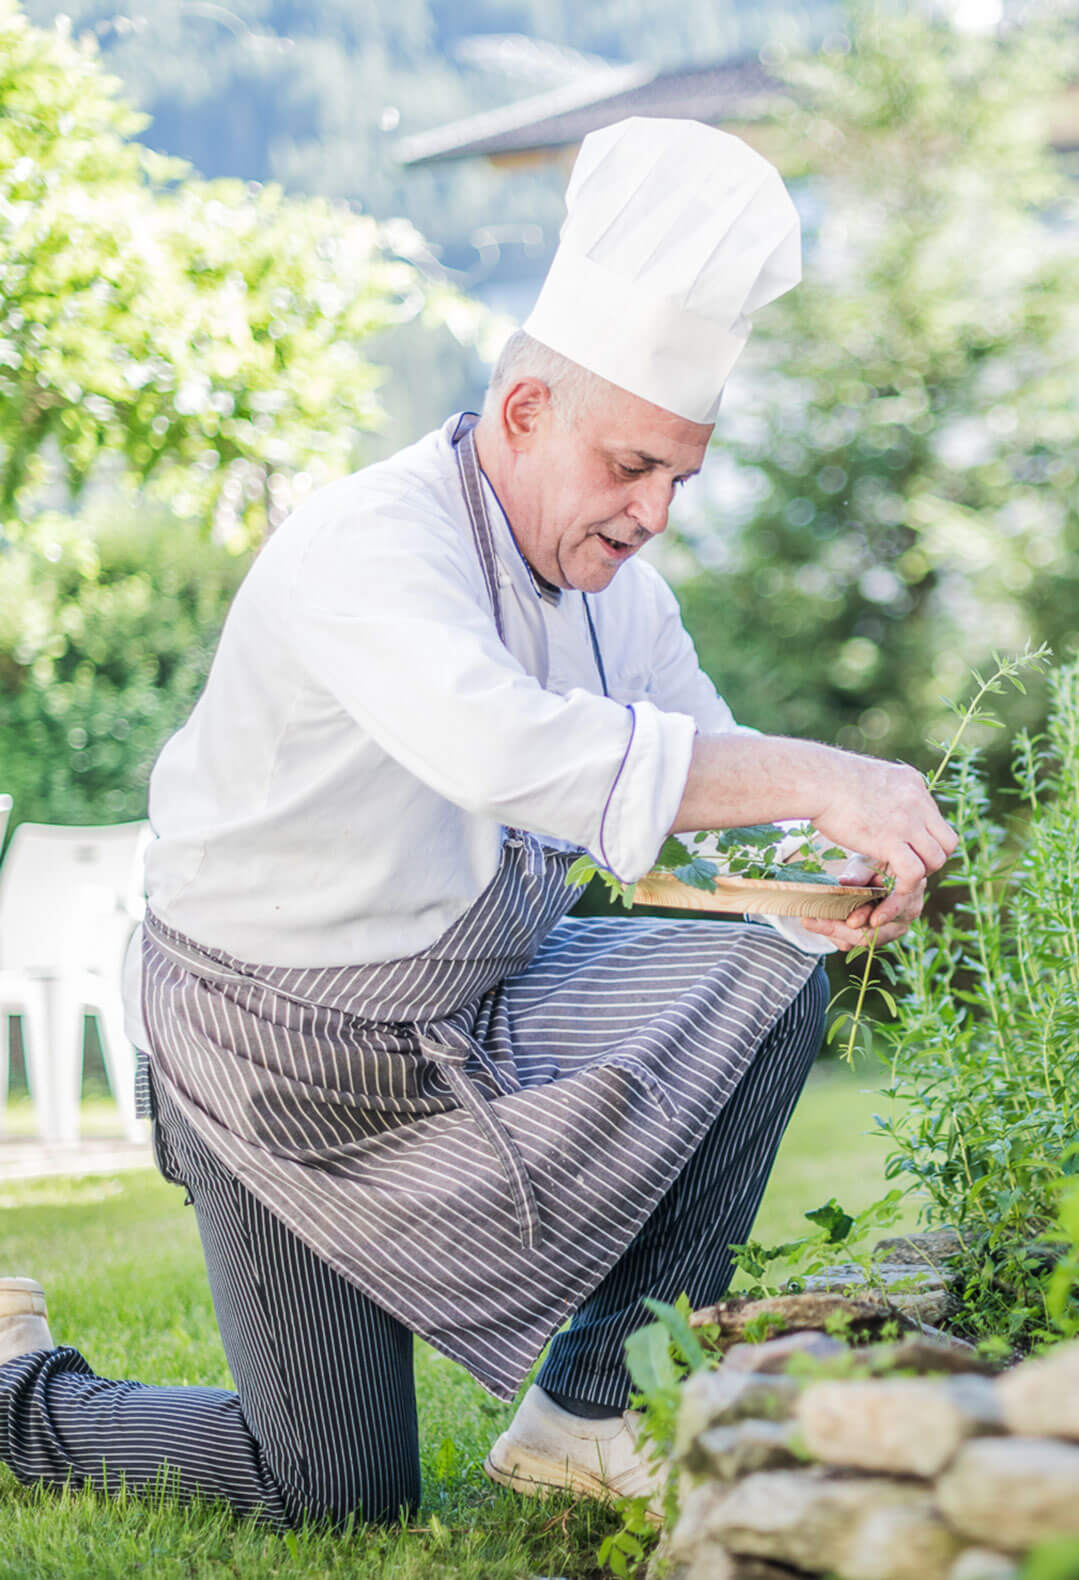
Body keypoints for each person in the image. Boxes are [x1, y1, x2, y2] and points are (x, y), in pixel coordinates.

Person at [0, 116, 956, 1528]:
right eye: (633, 466)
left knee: (770, 980)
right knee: (331, 1494)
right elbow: (515, 752)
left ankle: (595, 1406)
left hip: (473, 1015)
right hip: (273, 1060)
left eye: (681, 478)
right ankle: (14, 1385)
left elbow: (705, 789)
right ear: (525, 412)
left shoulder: (618, 591)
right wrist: (832, 776)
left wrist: (824, 873)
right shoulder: (368, 546)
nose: (656, 515)